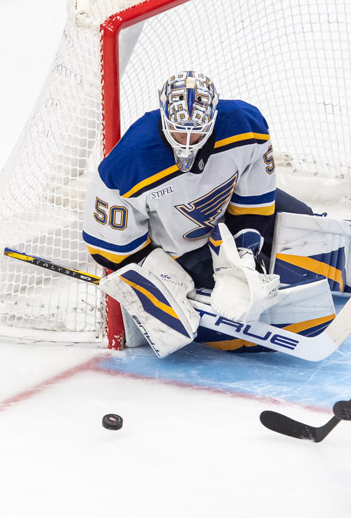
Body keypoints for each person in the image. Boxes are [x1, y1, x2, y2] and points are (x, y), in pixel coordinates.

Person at [81, 70, 325, 357]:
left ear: (213, 118)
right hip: (180, 247)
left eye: (196, 130)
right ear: (163, 117)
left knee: (303, 223)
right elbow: (107, 247)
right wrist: (157, 271)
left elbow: (255, 204)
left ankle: (323, 264)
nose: (186, 140)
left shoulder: (245, 127)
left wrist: (244, 254)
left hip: (225, 215)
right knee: (234, 304)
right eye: (178, 130)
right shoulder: (128, 163)